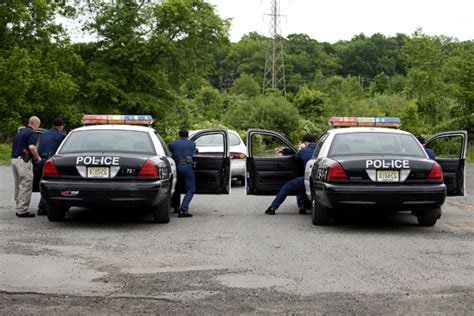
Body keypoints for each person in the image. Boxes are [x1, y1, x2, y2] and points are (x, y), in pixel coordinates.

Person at [265, 134, 318, 215]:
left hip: (308, 178)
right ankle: (302, 206)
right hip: (318, 179)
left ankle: (272, 208)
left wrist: (301, 148)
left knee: (288, 186)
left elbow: (296, 157)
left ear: (306, 142)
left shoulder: (303, 151)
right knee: (303, 183)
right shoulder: (321, 149)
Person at [11, 116, 42, 218]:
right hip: (23, 161)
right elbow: (32, 147)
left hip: (14, 160)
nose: (37, 128)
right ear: (36, 124)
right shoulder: (32, 133)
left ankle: (19, 207)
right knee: (26, 184)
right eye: (38, 126)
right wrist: (38, 158)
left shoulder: (20, 132)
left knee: (19, 185)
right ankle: (23, 211)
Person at [36, 118, 66, 215]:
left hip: (41, 161)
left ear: (53, 125)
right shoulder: (62, 136)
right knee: (51, 186)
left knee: (43, 183)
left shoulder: (44, 134)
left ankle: (42, 207)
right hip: (51, 161)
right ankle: (43, 207)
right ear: (61, 126)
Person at [169, 129, 196, 218]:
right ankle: (183, 210)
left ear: (179, 135)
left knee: (177, 188)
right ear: (187, 135)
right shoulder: (192, 143)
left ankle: (175, 207)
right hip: (187, 167)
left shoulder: (172, 144)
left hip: (176, 168)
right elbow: (193, 152)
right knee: (190, 189)